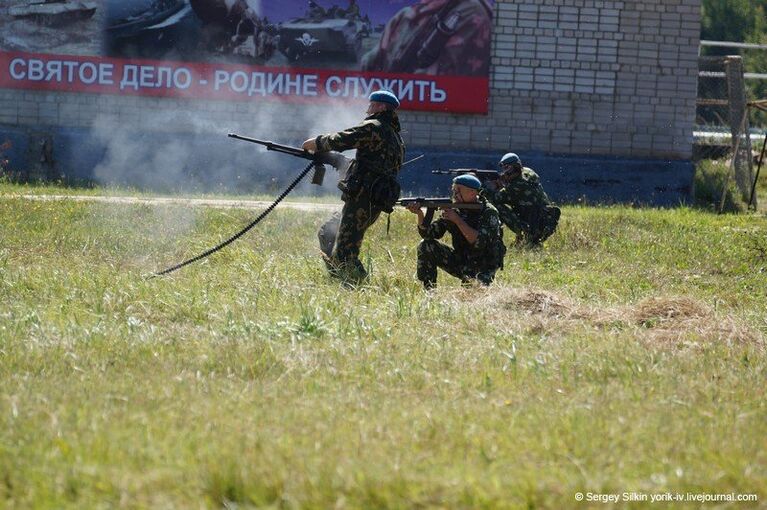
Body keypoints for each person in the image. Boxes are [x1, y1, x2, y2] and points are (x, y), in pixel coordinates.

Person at [303, 90, 405, 283]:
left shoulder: (375, 126)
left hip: (363, 198)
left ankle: (358, 287)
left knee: (346, 252)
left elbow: (343, 138)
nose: (368, 109)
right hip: (370, 199)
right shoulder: (395, 136)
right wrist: (339, 162)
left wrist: (316, 143)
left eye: (372, 105)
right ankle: (338, 278)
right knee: (327, 232)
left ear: (381, 107)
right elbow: (375, 165)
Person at [406, 175, 505, 289]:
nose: (455, 195)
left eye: (458, 191)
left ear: (472, 193)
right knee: (426, 245)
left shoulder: (488, 212)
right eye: (454, 190)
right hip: (461, 259)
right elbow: (430, 234)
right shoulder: (455, 209)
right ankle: (429, 290)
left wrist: (457, 220)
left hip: (483, 265)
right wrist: (420, 214)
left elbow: (479, 242)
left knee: (472, 295)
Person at [361, 0, 492, 76]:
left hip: (431, 115)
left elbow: (437, 85)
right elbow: (370, 62)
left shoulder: (471, 14)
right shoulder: (406, 15)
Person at [482, 153, 561, 248]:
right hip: (542, 220)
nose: (505, 172)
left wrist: (484, 188)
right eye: (504, 168)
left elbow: (495, 198)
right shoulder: (528, 172)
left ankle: (524, 235)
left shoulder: (517, 186)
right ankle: (526, 237)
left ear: (514, 168)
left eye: (507, 168)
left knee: (496, 206)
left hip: (534, 225)